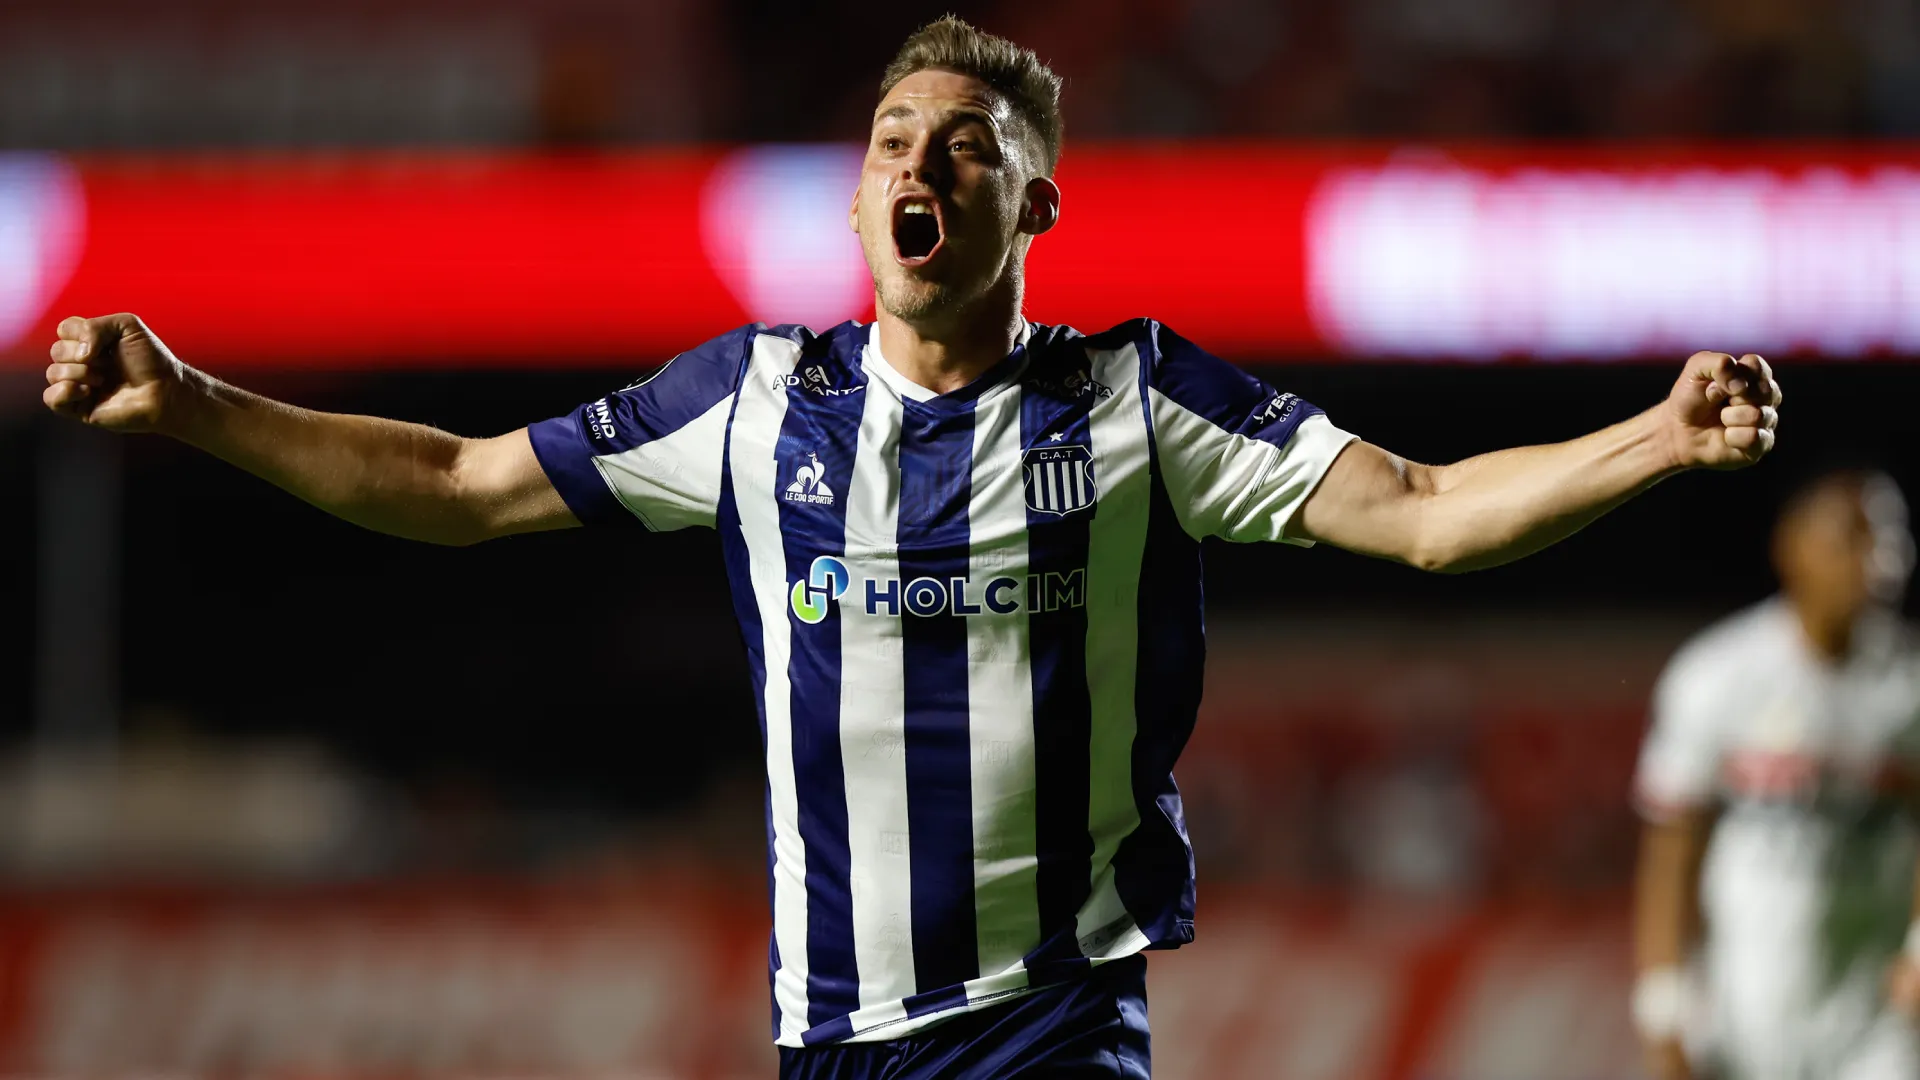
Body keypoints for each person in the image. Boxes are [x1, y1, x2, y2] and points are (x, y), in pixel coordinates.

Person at [42, 16, 1780, 1079]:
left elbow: (1419, 513)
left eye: (967, 145)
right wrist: (194, 403)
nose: (918, 163)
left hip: (1050, 1030)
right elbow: (454, 482)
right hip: (832, 1045)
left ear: (1035, 207)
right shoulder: (752, 405)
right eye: (892, 141)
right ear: (862, 197)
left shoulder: (1137, 399)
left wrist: (1655, 436)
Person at [1633, 469, 1920, 1080]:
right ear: (1792, 548)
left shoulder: (1910, 684)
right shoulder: (1718, 676)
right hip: (1745, 1012)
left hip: (1873, 1018)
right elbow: (1671, 848)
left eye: (1891, 539)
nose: (1880, 560)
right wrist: (1663, 1009)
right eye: (1854, 538)